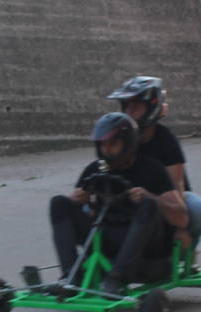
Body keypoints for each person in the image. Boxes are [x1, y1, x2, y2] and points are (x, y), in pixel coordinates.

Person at [49, 112, 188, 295]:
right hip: (106, 242)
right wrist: (77, 200)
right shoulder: (95, 170)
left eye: (112, 144)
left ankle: (117, 277)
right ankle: (71, 276)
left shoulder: (152, 169)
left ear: (128, 143)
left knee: (149, 205)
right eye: (102, 145)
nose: (106, 150)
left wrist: (152, 198)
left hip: (145, 253)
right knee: (59, 203)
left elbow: (182, 219)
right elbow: (84, 210)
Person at [107, 76, 201, 244]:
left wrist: (181, 228)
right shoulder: (119, 138)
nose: (129, 112)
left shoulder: (166, 142)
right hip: (128, 196)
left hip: (164, 196)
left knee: (197, 208)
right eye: (127, 106)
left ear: (151, 108)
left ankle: (190, 252)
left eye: (136, 106)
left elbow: (177, 187)